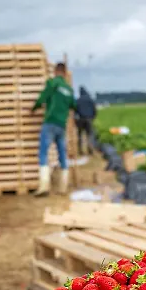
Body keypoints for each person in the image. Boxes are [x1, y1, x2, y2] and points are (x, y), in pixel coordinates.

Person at [32, 62, 76, 195]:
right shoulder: (69, 89)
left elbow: (42, 98)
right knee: (62, 154)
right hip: (61, 125)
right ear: (65, 73)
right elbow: (73, 105)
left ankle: (44, 186)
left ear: (56, 71)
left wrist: (34, 108)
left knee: (43, 152)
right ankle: (63, 186)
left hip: (50, 122)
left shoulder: (52, 83)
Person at [74, 86, 97, 156]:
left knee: (80, 135)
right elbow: (94, 109)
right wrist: (93, 117)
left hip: (80, 119)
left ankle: (80, 150)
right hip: (89, 119)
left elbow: (75, 110)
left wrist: (76, 119)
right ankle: (90, 149)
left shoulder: (78, 100)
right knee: (89, 134)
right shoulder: (90, 99)